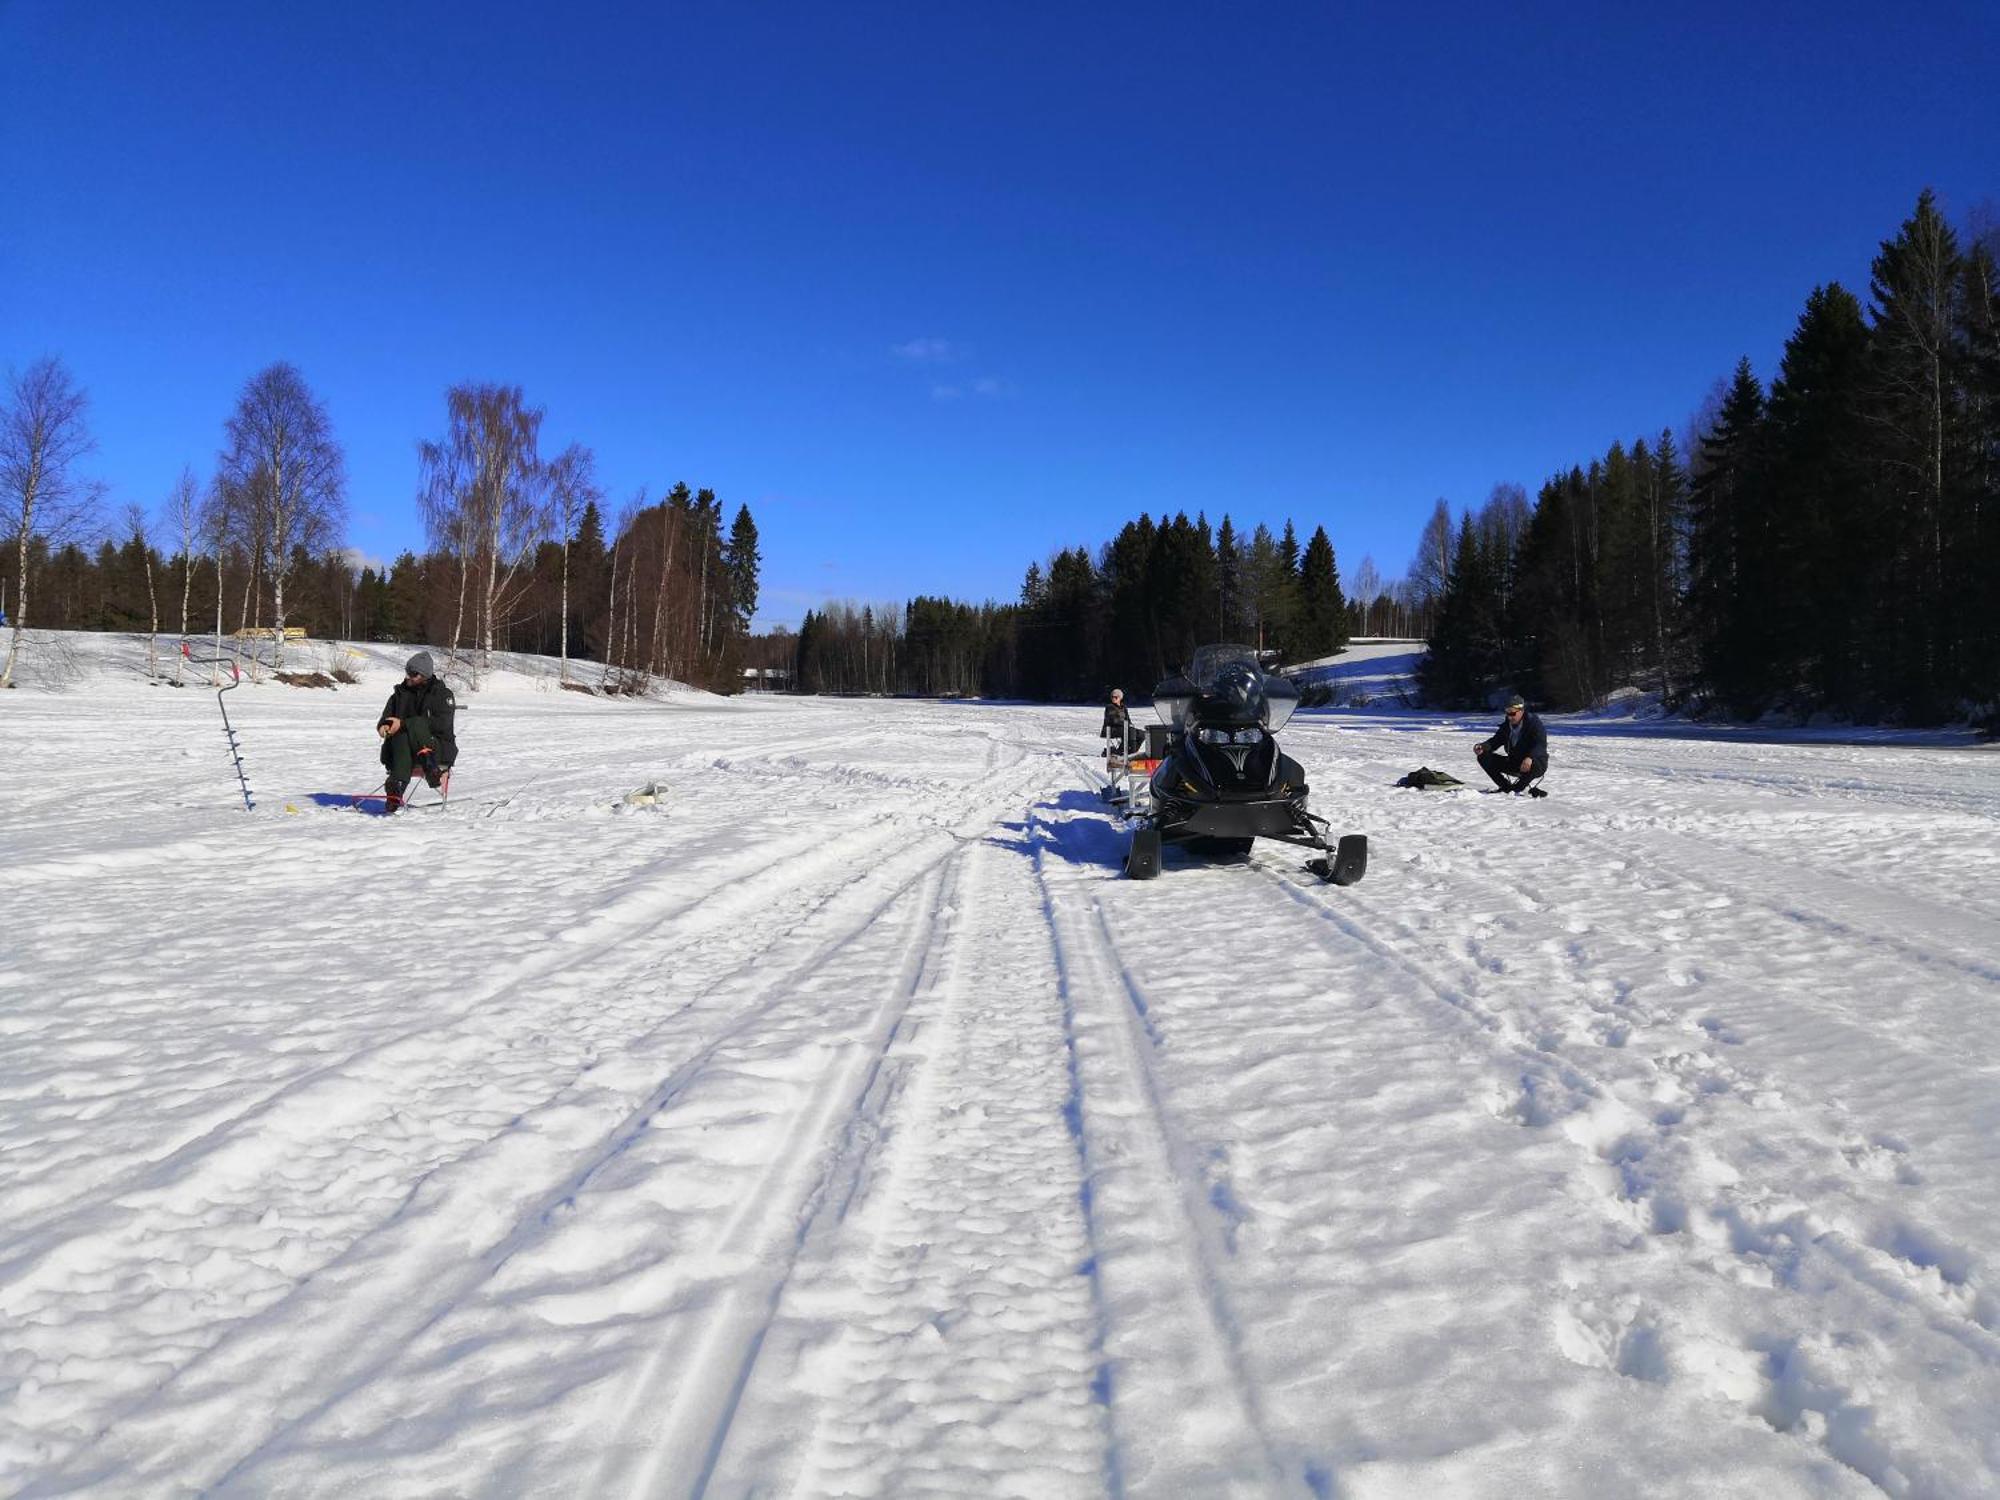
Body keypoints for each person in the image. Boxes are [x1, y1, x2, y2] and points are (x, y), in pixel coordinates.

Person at [377, 651, 457, 811]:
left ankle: (428, 765)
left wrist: (404, 723)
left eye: (413, 674)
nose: (408, 677)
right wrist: (384, 726)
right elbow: (387, 718)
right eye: (407, 673)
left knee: (417, 724)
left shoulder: (442, 694)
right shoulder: (398, 695)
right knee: (401, 736)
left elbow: (442, 724)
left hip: (436, 747)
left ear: (425, 675)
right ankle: (396, 789)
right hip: (405, 752)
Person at [1474, 692, 1549, 794]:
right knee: (1483, 757)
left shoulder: (1533, 723)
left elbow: (1540, 744)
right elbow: (1496, 741)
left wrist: (1530, 758)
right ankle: (1505, 787)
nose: (1509, 717)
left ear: (1521, 711)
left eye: (1512, 713)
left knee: (1534, 765)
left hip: (1535, 764)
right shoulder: (1507, 725)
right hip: (1515, 762)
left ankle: (1517, 789)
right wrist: (1482, 746)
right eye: (1507, 713)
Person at [1101, 687, 1143, 764]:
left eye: (1115, 697)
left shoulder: (1124, 707)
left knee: (1142, 734)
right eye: (1112, 697)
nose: (1113, 698)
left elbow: (1128, 719)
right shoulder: (1110, 707)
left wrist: (1129, 724)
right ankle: (1131, 754)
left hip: (1124, 728)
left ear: (1120, 698)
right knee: (1130, 731)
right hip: (1111, 729)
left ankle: (1130, 752)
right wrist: (1126, 724)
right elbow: (1113, 720)